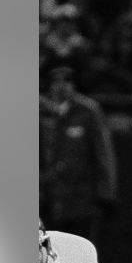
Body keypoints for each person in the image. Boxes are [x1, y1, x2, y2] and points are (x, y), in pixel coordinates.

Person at [39, 64, 119, 246]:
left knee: (80, 255)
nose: (61, 86)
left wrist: (106, 193)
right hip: (50, 200)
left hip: (83, 201)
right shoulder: (41, 113)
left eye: (66, 81)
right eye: (55, 81)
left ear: (74, 85)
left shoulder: (87, 112)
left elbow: (103, 154)